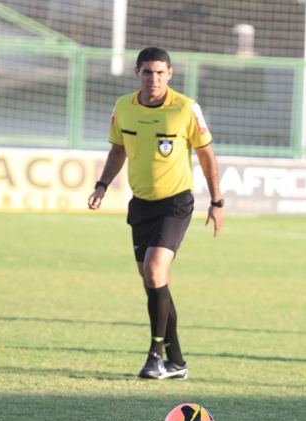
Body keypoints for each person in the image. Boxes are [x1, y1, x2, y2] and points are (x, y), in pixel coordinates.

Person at [88, 47, 224, 380]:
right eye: (148, 72)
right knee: (154, 282)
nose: (154, 79)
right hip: (141, 204)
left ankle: (155, 357)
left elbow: (206, 155)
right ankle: (177, 361)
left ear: (170, 74)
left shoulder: (186, 109)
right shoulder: (123, 107)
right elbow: (118, 148)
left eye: (161, 72)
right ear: (137, 73)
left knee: (153, 271)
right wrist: (102, 184)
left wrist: (217, 200)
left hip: (176, 202)